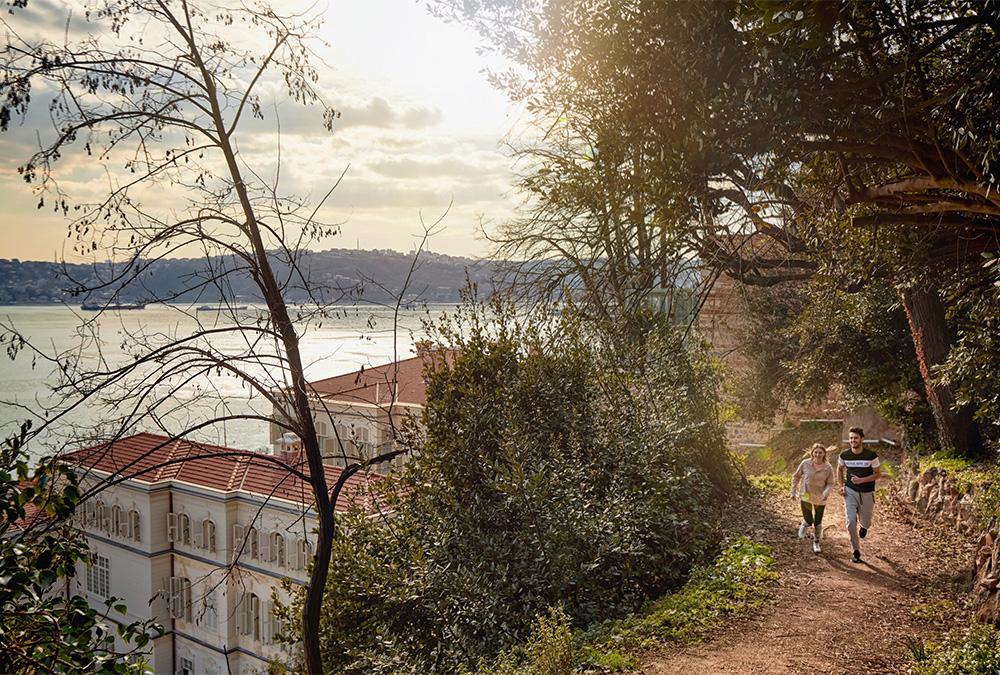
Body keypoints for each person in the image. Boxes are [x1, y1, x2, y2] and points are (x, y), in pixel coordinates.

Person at [837, 427, 881, 563]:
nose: (853, 440)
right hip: (850, 491)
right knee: (850, 522)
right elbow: (839, 469)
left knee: (866, 520)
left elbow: (878, 474)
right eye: (851, 438)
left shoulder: (871, 456)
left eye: (855, 438)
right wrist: (841, 486)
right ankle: (856, 551)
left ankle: (864, 527)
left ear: (862, 439)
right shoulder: (844, 455)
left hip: (867, 492)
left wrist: (862, 480)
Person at [790, 443, 834, 553]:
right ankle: (804, 525)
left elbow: (830, 483)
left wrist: (825, 493)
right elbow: (796, 476)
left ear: (824, 454)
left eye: (820, 452)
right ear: (812, 453)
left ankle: (816, 542)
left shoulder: (828, 467)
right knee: (809, 520)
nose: (818, 454)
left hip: (820, 497)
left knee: (818, 521)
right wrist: (793, 492)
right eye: (816, 452)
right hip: (806, 495)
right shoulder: (805, 463)